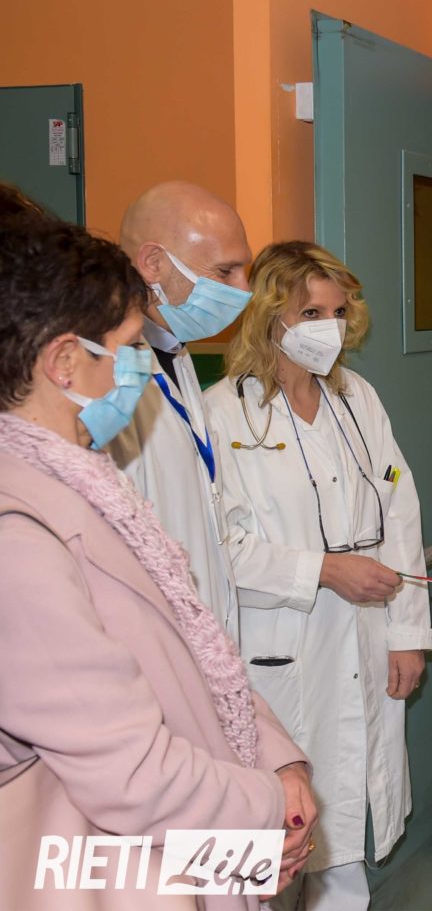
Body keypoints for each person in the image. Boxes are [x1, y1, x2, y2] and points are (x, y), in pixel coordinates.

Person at [0, 213, 316, 909]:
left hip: (188, 822)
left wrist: (275, 758)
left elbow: (187, 645)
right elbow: (130, 775)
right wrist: (264, 812)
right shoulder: (17, 537)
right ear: (63, 361)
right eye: (129, 348)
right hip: (119, 862)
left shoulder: (85, 482)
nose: (140, 367)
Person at [203, 242, 432, 911]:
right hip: (278, 653)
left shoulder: (357, 398)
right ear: (268, 315)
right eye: (310, 313)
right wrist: (324, 571)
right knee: (273, 844)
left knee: (345, 837)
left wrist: (407, 634)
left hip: (364, 639)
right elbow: (216, 548)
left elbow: (399, 509)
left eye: (337, 312)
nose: (329, 328)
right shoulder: (223, 413)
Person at [107, 182, 254, 642]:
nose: (244, 290)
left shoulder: (175, 353)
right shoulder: (111, 378)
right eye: (226, 271)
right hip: (150, 641)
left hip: (200, 637)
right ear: (153, 263)